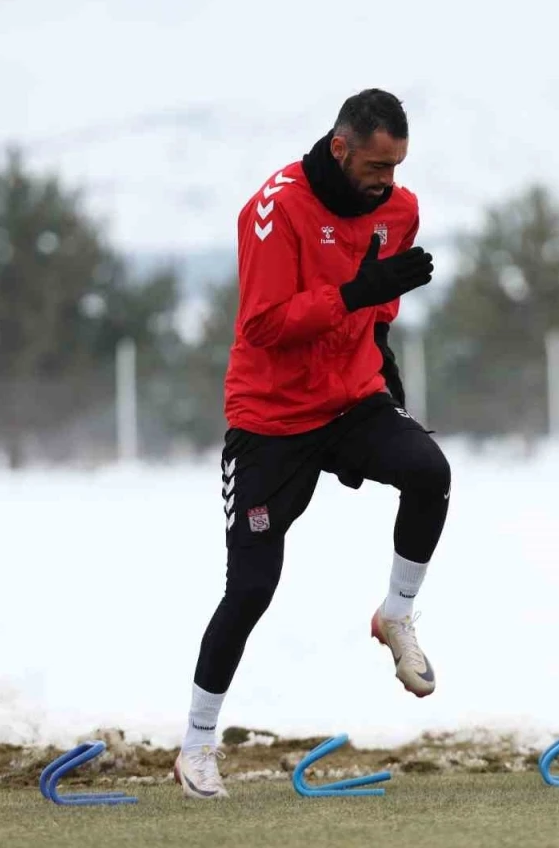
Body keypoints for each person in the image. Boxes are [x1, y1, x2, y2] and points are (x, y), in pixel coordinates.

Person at [173, 89, 451, 800]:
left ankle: (395, 614)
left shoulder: (400, 210)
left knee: (429, 472)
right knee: (251, 589)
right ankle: (197, 747)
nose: (387, 181)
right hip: (271, 420)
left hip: (351, 400)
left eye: (397, 165)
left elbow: (377, 314)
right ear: (340, 147)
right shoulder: (274, 209)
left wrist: (385, 369)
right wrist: (357, 292)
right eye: (376, 165)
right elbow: (264, 325)